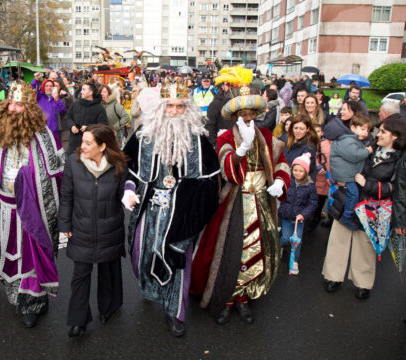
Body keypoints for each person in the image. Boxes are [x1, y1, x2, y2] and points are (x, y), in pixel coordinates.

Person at [0, 82, 65, 328]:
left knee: (33, 256)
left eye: (21, 105)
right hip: (2, 208)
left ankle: (33, 302)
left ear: (30, 109)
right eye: (13, 103)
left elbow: (59, 174)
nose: (15, 109)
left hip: (36, 209)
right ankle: (17, 294)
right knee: (8, 256)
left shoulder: (44, 135)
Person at [122, 81, 220, 337]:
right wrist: (129, 189)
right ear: (161, 107)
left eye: (179, 106)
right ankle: (152, 288)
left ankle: (175, 312)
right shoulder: (145, 134)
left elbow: (209, 182)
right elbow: (128, 167)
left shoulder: (198, 140)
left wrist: (188, 202)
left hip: (182, 213)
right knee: (140, 255)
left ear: (187, 109)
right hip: (149, 208)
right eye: (170, 106)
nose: (174, 111)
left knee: (177, 262)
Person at [191, 81, 291, 326]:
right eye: (242, 114)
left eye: (251, 114)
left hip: (261, 201)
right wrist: (242, 148)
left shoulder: (267, 135)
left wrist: (280, 181)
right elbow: (225, 168)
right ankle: (226, 299)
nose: (247, 118)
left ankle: (244, 297)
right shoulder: (226, 136)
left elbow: (281, 163)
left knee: (255, 248)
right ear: (235, 116)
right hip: (235, 200)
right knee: (230, 248)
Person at [323, 114, 405, 299]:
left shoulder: (399, 160)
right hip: (347, 201)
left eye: (383, 131)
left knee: (365, 245)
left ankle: (363, 283)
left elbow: (395, 188)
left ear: (396, 136)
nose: (378, 134)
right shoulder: (365, 145)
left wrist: (367, 185)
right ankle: (333, 276)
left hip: (372, 208)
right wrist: (341, 178)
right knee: (338, 239)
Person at [59, 124, 127, 338]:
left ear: (103, 146)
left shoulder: (119, 165)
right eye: (83, 141)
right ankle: (78, 320)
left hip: (110, 227)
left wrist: (132, 197)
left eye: (88, 143)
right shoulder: (73, 162)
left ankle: (109, 308)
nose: (82, 146)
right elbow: (67, 196)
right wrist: (65, 225)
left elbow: (126, 194)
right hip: (81, 228)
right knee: (80, 275)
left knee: (109, 270)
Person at [329, 115, 373, 230]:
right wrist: (367, 151)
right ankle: (347, 216)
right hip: (345, 175)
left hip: (346, 173)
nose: (365, 133)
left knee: (351, 193)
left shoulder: (351, 140)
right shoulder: (348, 140)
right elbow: (355, 156)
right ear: (353, 127)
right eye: (363, 129)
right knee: (353, 194)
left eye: (368, 130)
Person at [279, 152, 318, 275]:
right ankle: (280, 246)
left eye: (300, 171)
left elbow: (313, 202)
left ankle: (295, 260)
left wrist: (304, 214)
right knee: (286, 237)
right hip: (286, 215)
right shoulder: (288, 181)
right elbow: (282, 196)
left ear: (306, 172)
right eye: (295, 170)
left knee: (297, 241)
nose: (297, 173)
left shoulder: (310, 186)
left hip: (298, 218)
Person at [64, 82, 108, 154]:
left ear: (90, 92)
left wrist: (89, 127)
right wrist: (71, 126)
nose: (81, 92)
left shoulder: (99, 108)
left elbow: (103, 126)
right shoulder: (75, 104)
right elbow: (68, 117)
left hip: (90, 146)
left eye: (84, 90)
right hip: (74, 145)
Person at [31, 72, 67, 139]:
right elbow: (34, 89)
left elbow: (62, 110)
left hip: (54, 131)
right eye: (46, 86)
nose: (49, 88)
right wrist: (36, 80)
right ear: (43, 87)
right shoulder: (39, 96)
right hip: (41, 130)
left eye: (51, 86)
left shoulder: (56, 98)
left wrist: (56, 99)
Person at [283, 114, 319, 179]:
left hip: (300, 184)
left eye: (301, 129)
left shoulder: (310, 146)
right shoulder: (286, 140)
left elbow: (301, 171)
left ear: (307, 129)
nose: (298, 131)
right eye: (295, 128)